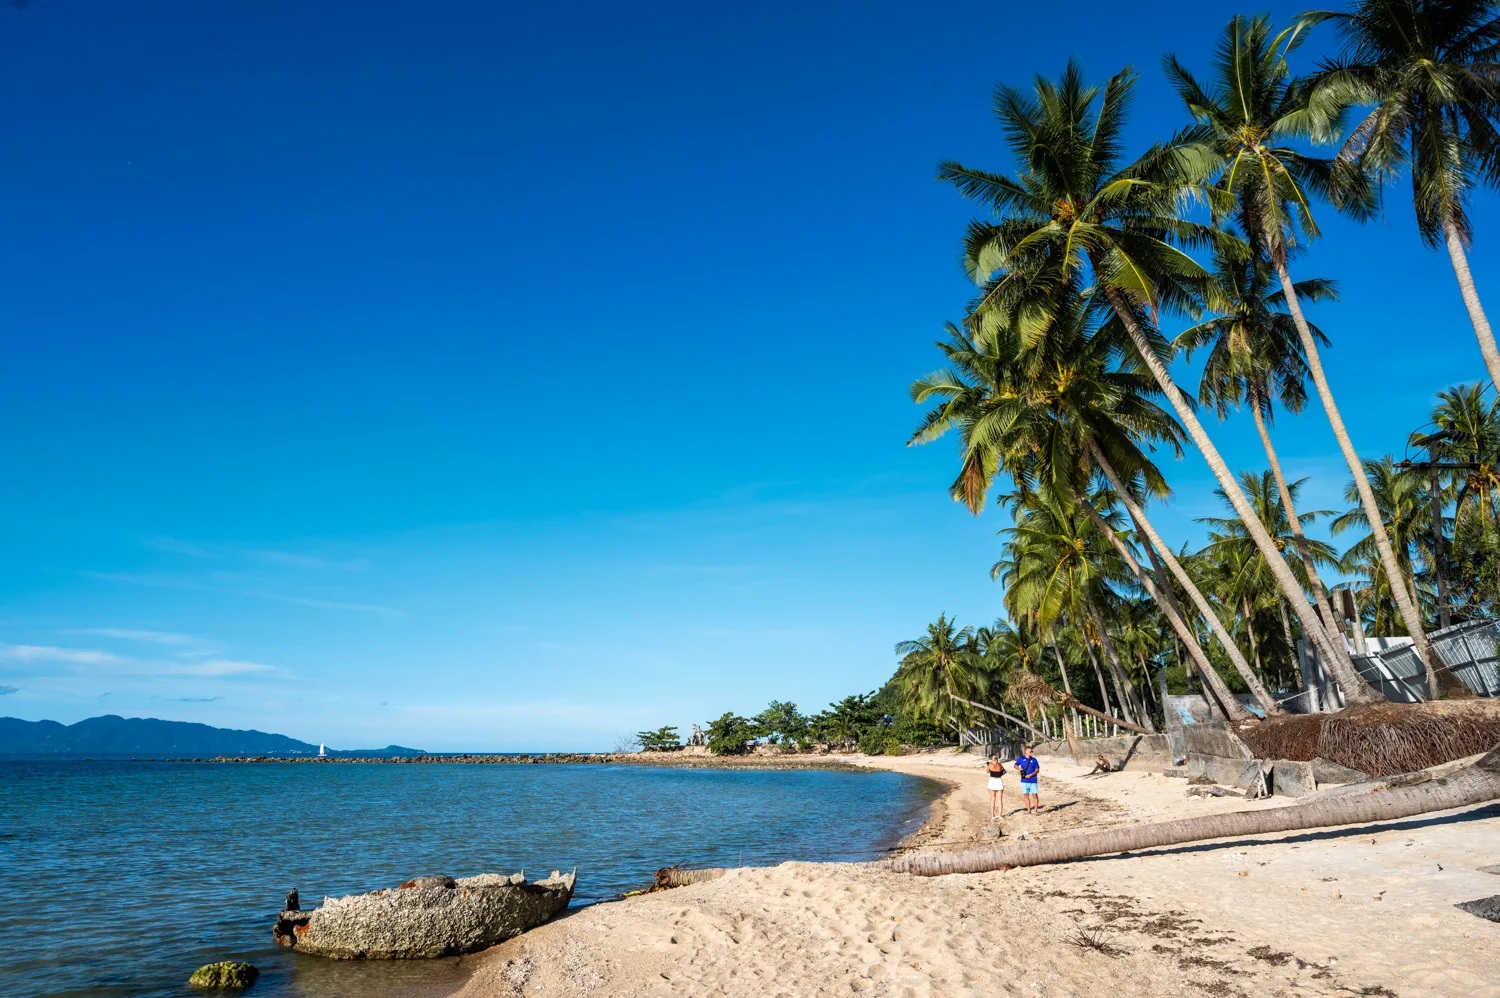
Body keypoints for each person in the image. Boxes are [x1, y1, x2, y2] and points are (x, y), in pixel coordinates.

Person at [1014, 744, 1041, 814]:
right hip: (1024, 780)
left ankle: (1035, 810)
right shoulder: (1021, 758)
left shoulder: (1034, 760)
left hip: (1033, 780)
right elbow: (1015, 765)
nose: (1031, 753)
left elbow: (1037, 769)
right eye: (1030, 751)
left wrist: (1031, 774)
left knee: (1035, 795)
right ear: (1025, 752)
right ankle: (1029, 810)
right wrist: (1021, 769)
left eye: (1032, 751)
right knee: (1026, 795)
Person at [985, 753, 1005, 820]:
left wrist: (989, 765)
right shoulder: (1000, 765)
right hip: (999, 781)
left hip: (992, 781)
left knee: (992, 799)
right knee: (1000, 799)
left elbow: (987, 771)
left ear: (992, 759)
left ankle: (992, 815)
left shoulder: (990, 765)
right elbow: (1002, 772)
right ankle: (999, 815)